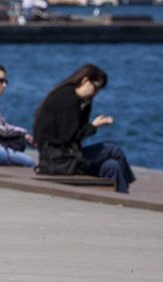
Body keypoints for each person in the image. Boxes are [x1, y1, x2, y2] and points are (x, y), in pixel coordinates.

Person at [33, 64, 135, 193]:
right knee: (114, 149)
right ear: (85, 81)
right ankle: (128, 186)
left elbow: (73, 131)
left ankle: (121, 198)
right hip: (60, 160)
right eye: (95, 88)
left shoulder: (71, 97)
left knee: (112, 166)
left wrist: (86, 107)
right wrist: (94, 126)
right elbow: (69, 136)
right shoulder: (68, 99)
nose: (96, 93)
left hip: (60, 159)